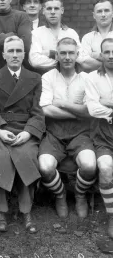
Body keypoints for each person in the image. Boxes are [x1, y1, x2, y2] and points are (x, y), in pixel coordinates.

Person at [0, 36, 45, 233]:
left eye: (18, 51)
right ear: (3, 55)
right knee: (0, 157)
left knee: (27, 155)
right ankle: (1, 211)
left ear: (24, 54)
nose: (14, 55)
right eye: (10, 51)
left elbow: (38, 112)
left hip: (24, 129)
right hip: (1, 130)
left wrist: (29, 133)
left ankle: (26, 210)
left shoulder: (35, 78)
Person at [38, 37, 96, 219]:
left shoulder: (87, 78)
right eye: (63, 53)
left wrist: (62, 103)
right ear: (57, 55)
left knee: (89, 165)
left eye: (71, 53)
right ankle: (60, 195)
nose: (67, 57)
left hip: (80, 133)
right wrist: (77, 111)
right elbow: (46, 109)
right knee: (45, 167)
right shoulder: (48, 77)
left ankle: (80, 195)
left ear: (77, 55)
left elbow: (89, 111)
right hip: (53, 132)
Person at [85, 37, 113, 238]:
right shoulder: (92, 77)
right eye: (107, 52)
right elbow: (93, 108)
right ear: (100, 55)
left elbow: (101, 102)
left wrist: (107, 101)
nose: (111, 56)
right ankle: (112, 215)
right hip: (103, 134)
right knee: (105, 167)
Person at [29, 0, 82, 74]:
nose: (52, 12)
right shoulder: (36, 33)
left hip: (70, 78)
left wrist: (50, 53)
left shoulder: (71, 33)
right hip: (45, 80)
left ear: (62, 10)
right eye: (49, 9)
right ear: (43, 11)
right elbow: (35, 61)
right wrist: (65, 61)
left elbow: (80, 57)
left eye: (56, 8)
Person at [81, 0, 113, 72]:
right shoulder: (87, 38)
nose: (103, 14)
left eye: (106, 10)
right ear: (94, 15)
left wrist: (94, 55)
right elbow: (85, 64)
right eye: (99, 11)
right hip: (94, 81)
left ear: (112, 13)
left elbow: (89, 62)